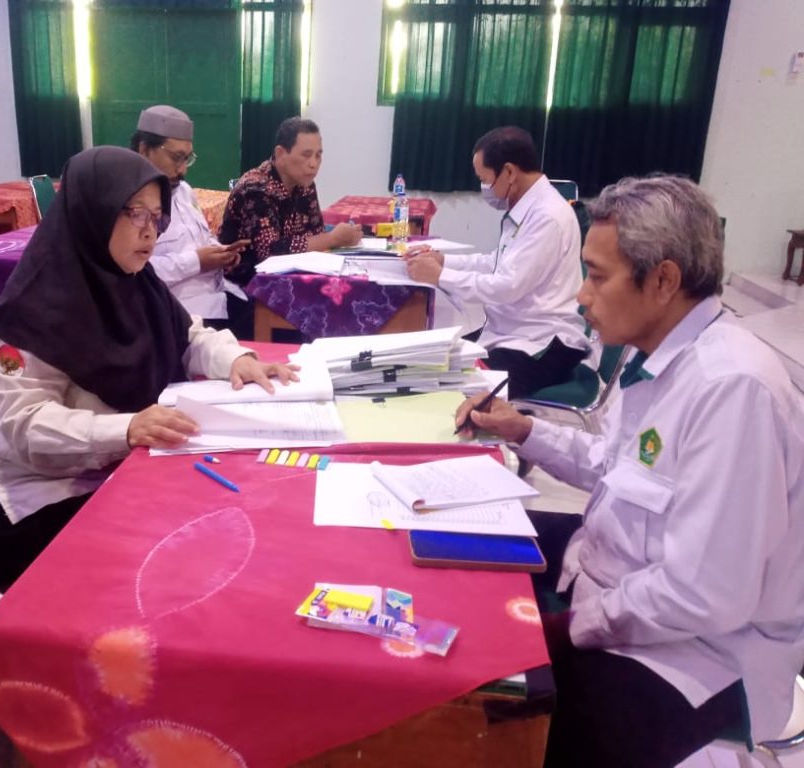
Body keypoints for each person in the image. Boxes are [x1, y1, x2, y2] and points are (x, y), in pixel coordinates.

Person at [455, 175, 804, 767]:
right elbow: (614, 466)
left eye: (597, 276)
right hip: (622, 577)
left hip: (700, 656)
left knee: (502, 710)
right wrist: (523, 429)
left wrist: (568, 629)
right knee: (466, 542)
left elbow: (704, 594)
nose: (581, 296)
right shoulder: (663, 356)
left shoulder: (733, 390)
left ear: (662, 281)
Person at [0, 147, 297, 593]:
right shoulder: (32, 310)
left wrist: (237, 360)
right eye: (135, 213)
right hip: (24, 498)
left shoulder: (132, 279)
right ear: (93, 211)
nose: (149, 231)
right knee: (168, 555)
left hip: (104, 468)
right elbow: (28, 428)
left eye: (156, 217)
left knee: (214, 516)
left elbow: (189, 335)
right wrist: (129, 428)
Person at [404, 126, 591, 399]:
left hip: (541, 344)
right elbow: (497, 261)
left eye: (485, 179)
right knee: (433, 362)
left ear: (510, 172)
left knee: (452, 392)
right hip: (512, 330)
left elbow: (507, 286)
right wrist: (443, 261)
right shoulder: (528, 207)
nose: (484, 189)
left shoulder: (547, 216)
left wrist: (440, 275)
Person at [131, 104, 252, 336]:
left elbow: (203, 237)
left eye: (187, 159)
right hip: (179, 312)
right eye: (176, 158)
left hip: (217, 296)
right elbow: (135, 272)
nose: (183, 169)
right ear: (144, 150)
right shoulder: (129, 202)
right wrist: (197, 261)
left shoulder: (184, 191)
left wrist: (221, 253)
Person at [219, 116, 362, 288]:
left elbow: (315, 232)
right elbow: (270, 251)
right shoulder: (255, 189)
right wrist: (333, 238)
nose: (313, 164)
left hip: (292, 278)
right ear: (281, 154)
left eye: (318, 155)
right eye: (306, 155)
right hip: (247, 287)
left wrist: (335, 238)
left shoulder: (305, 185)